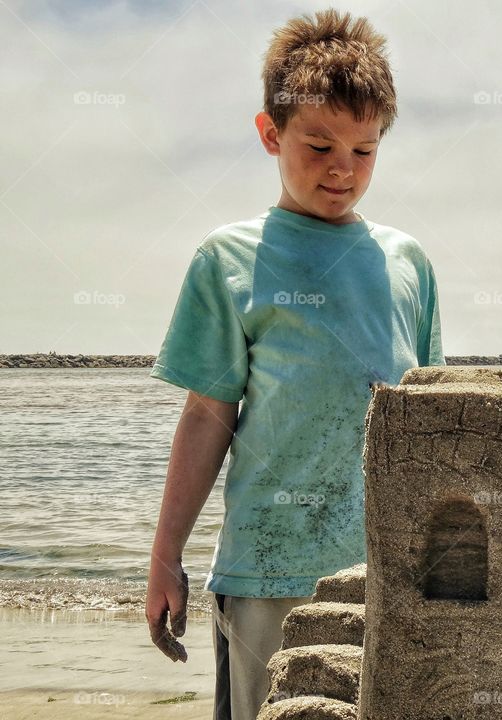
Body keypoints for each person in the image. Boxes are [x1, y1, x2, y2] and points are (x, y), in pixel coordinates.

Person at [144, 9, 444, 720]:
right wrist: (165, 557)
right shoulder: (229, 259)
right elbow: (206, 417)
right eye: (319, 145)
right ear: (270, 134)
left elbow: (433, 425)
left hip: (385, 573)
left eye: (365, 151)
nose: (342, 169)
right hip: (266, 571)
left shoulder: (408, 264)